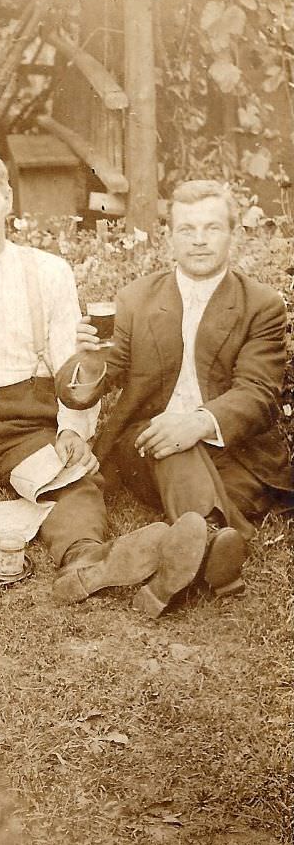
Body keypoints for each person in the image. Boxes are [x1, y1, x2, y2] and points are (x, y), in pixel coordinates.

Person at [0, 151, 216, 595]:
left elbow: (72, 362)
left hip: (27, 419)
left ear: (8, 200)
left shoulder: (48, 272)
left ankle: (87, 562)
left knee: (72, 479)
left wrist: (74, 430)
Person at [56, 179, 293, 617]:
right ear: (169, 236)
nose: (199, 240)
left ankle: (180, 544)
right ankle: (216, 548)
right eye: (187, 229)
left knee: (196, 455)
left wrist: (199, 422)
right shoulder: (135, 299)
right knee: (167, 438)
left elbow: (258, 392)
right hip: (146, 450)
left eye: (211, 228)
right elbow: (91, 389)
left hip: (231, 452)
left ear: (233, 234)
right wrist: (89, 362)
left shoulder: (261, 305)